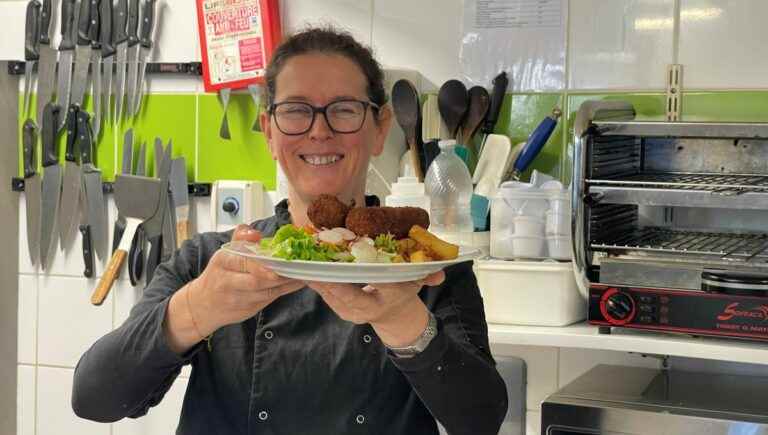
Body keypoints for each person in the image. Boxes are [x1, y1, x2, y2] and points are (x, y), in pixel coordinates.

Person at [72, 26, 508, 435]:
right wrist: (196, 310)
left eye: (343, 110)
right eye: (297, 111)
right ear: (269, 131)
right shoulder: (212, 261)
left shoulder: (426, 268)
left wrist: (404, 323)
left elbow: (481, 419)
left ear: (380, 130)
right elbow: (95, 398)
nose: (320, 131)